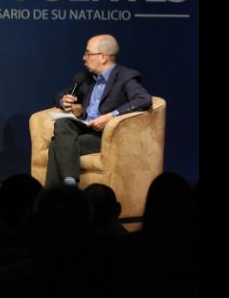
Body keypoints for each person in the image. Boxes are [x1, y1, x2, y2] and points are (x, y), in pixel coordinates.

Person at [46, 34, 152, 188]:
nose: (84, 58)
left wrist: (110, 116)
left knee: (57, 145)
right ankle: (69, 184)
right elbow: (59, 94)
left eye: (88, 53)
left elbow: (143, 99)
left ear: (103, 57)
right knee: (62, 124)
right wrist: (64, 100)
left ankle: (57, 195)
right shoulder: (88, 79)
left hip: (106, 137)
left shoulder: (125, 76)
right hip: (85, 128)